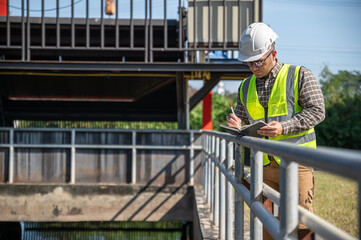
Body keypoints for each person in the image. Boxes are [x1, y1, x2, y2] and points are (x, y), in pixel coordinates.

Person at [226, 22, 325, 240]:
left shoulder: (299, 75)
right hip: (263, 164)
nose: (253, 67)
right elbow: (243, 118)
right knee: (265, 221)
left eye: (258, 61)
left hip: (296, 161)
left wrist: (283, 127)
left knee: (301, 222)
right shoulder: (245, 86)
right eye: (249, 63)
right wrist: (237, 123)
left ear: (274, 53)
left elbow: (317, 111)